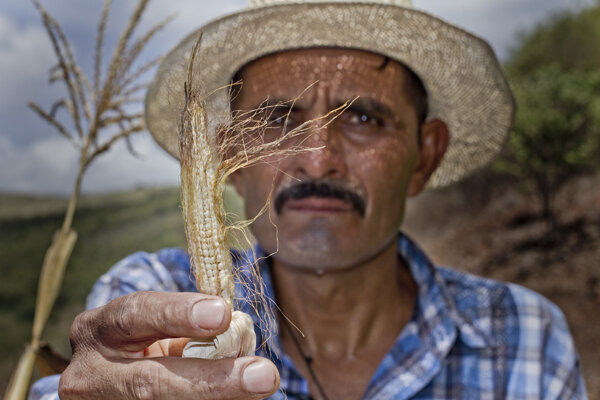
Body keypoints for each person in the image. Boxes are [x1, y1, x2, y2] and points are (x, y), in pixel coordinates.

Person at [30, 0, 587, 399]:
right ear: (227, 159)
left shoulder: (524, 337)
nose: (318, 158)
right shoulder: (151, 306)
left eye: (365, 118)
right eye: (278, 118)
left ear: (425, 155)